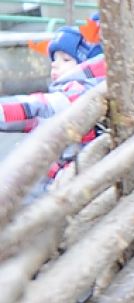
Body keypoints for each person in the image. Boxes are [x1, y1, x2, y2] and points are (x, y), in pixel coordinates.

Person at [2, 23, 106, 190]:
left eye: (66, 59)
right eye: (54, 59)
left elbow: (39, 107)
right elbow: (33, 118)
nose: (55, 64)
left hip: (67, 181)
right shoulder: (70, 92)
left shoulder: (80, 93)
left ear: (86, 65)